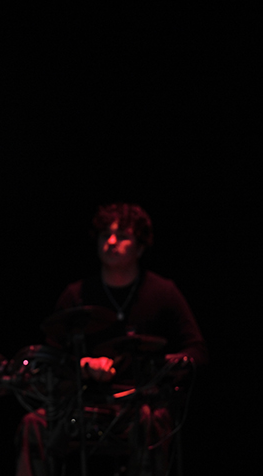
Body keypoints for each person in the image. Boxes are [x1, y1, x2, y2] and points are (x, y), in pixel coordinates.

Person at [16, 203, 208, 476]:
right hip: (85, 404)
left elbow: (196, 350)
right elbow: (50, 357)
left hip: (139, 405)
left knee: (152, 422)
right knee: (33, 424)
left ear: (140, 247)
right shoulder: (77, 294)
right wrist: (84, 365)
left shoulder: (163, 292)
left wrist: (159, 366)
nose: (111, 241)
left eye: (123, 236)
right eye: (105, 234)